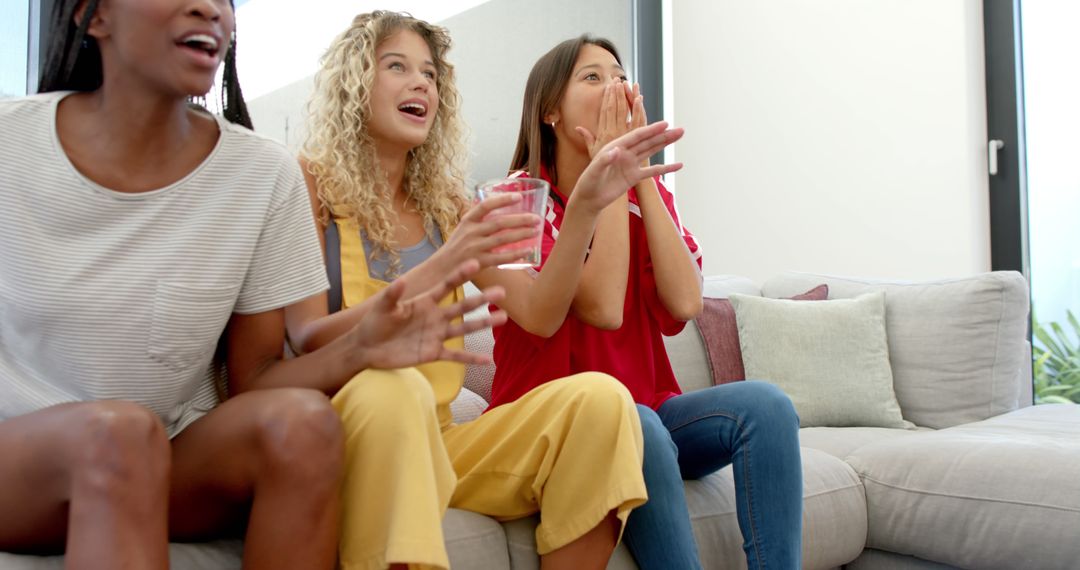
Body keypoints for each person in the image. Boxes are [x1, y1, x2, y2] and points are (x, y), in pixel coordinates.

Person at [0, 1, 497, 568]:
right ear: (94, 17)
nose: (208, 8)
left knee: (305, 425)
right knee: (120, 437)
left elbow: (259, 379)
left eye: (225, 0)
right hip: (20, 459)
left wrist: (361, 345)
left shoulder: (261, 173)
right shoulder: (10, 142)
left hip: (176, 452)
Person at [287, 11, 684, 570]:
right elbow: (302, 341)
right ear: (354, 82)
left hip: (439, 440)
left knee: (603, 400)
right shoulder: (308, 185)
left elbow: (540, 314)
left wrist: (590, 203)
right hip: (349, 427)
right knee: (394, 396)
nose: (421, 82)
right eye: (397, 66)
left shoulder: (448, 205)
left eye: (430, 73)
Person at [486, 35, 805, 570]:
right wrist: (610, 179)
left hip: (651, 415)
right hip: (561, 424)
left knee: (768, 407)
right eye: (592, 77)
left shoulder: (641, 197)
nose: (615, 87)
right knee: (636, 422)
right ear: (549, 111)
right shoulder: (512, 203)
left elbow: (685, 303)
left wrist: (642, 179)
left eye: (619, 76)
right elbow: (602, 308)